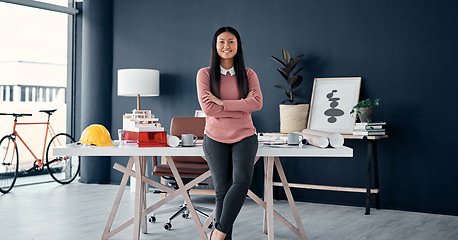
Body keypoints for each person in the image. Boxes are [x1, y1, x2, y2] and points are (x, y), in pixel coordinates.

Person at [196, 26, 263, 240]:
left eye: (231, 41)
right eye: (222, 42)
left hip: (245, 136)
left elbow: (258, 103)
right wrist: (242, 106)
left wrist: (222, 104)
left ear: (238, 45)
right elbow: (208, 109)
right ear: (215, 46)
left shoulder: (248, 74)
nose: (227, 46)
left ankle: (218, 234)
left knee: (242, 180)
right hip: (214, 138)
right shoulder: (204, 74)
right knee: (222, 190)